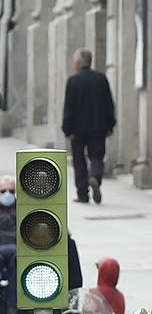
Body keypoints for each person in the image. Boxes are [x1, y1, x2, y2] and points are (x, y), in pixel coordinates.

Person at [62, 48, 117, 204]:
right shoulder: (101, 79)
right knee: (97, 156)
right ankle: (95, 177)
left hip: (77, 129)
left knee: (79, 160)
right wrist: (110, 125)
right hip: (98, 127)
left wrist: (67, 128)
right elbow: (109, 104)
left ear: (79, 63)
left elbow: (68, 107)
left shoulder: (73, 81)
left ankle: (83, 194)